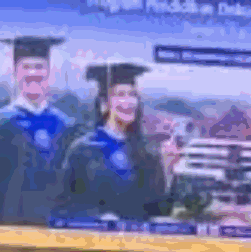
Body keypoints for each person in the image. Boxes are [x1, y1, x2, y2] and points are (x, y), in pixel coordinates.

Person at [0, 36, 73, 228]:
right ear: (15, 72)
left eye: (39, 67)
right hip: (12, 230)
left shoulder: (63, 125)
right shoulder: (2, 122)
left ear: (49, 71)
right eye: (26, 67)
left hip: (56, 232)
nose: (33, 73)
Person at [61, 63, 171, 224]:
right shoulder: (83, 150)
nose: (128, 102)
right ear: (104, 104)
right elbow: (65, 206)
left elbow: (157, 209)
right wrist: (98, 218)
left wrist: (168, 171)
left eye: (132, 95)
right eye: (120, 95)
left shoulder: (146, 152)